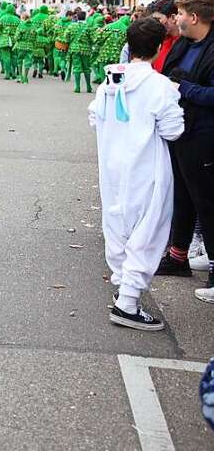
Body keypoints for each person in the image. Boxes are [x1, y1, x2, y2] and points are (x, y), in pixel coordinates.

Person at [89, 18, 184, 331]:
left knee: (117, 224)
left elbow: (94, 117)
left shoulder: (109, 82)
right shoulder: (159, 86)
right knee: (148, 230)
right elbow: (173, 130)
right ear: (158, 48)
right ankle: (128, 302)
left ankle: (122, 284)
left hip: (113, 167)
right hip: (147, 168)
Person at [156, 0, 214, 303]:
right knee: (183, 197)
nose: (175, 19)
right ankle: (178, 258)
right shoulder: (184, 44)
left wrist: (184, 87)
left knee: (207, 203)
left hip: (204, 136)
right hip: (181, 132)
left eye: (179, 13)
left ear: (193, 17)